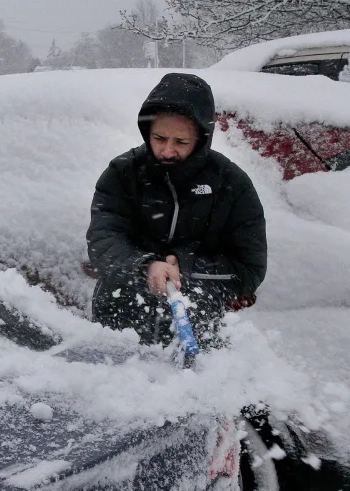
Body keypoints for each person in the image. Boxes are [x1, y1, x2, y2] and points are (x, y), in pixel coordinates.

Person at [86, 72, 267, 348]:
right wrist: (146, 265)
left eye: (181, 142)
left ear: (201, 138)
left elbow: (249, 269)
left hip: (196, 333)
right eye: (159, 138)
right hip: (119, 329)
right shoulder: (123, 173)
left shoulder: (231, 183)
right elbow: (103, 241)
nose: (168, 151)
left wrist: (184, 265)